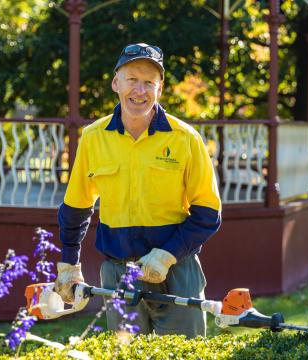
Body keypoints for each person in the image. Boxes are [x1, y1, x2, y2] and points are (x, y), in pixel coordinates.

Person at [54, 43, 222, 337]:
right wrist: (69, 263)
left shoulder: (186, 139)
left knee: (183, 357)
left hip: (178, 272)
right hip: (117, 273)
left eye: (149, 83)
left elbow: (208, 214)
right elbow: (76, 208)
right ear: (116, 83)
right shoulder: (93, 138)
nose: (139, 91)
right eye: (132, 80)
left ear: (160, 89)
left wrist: (167, 255)